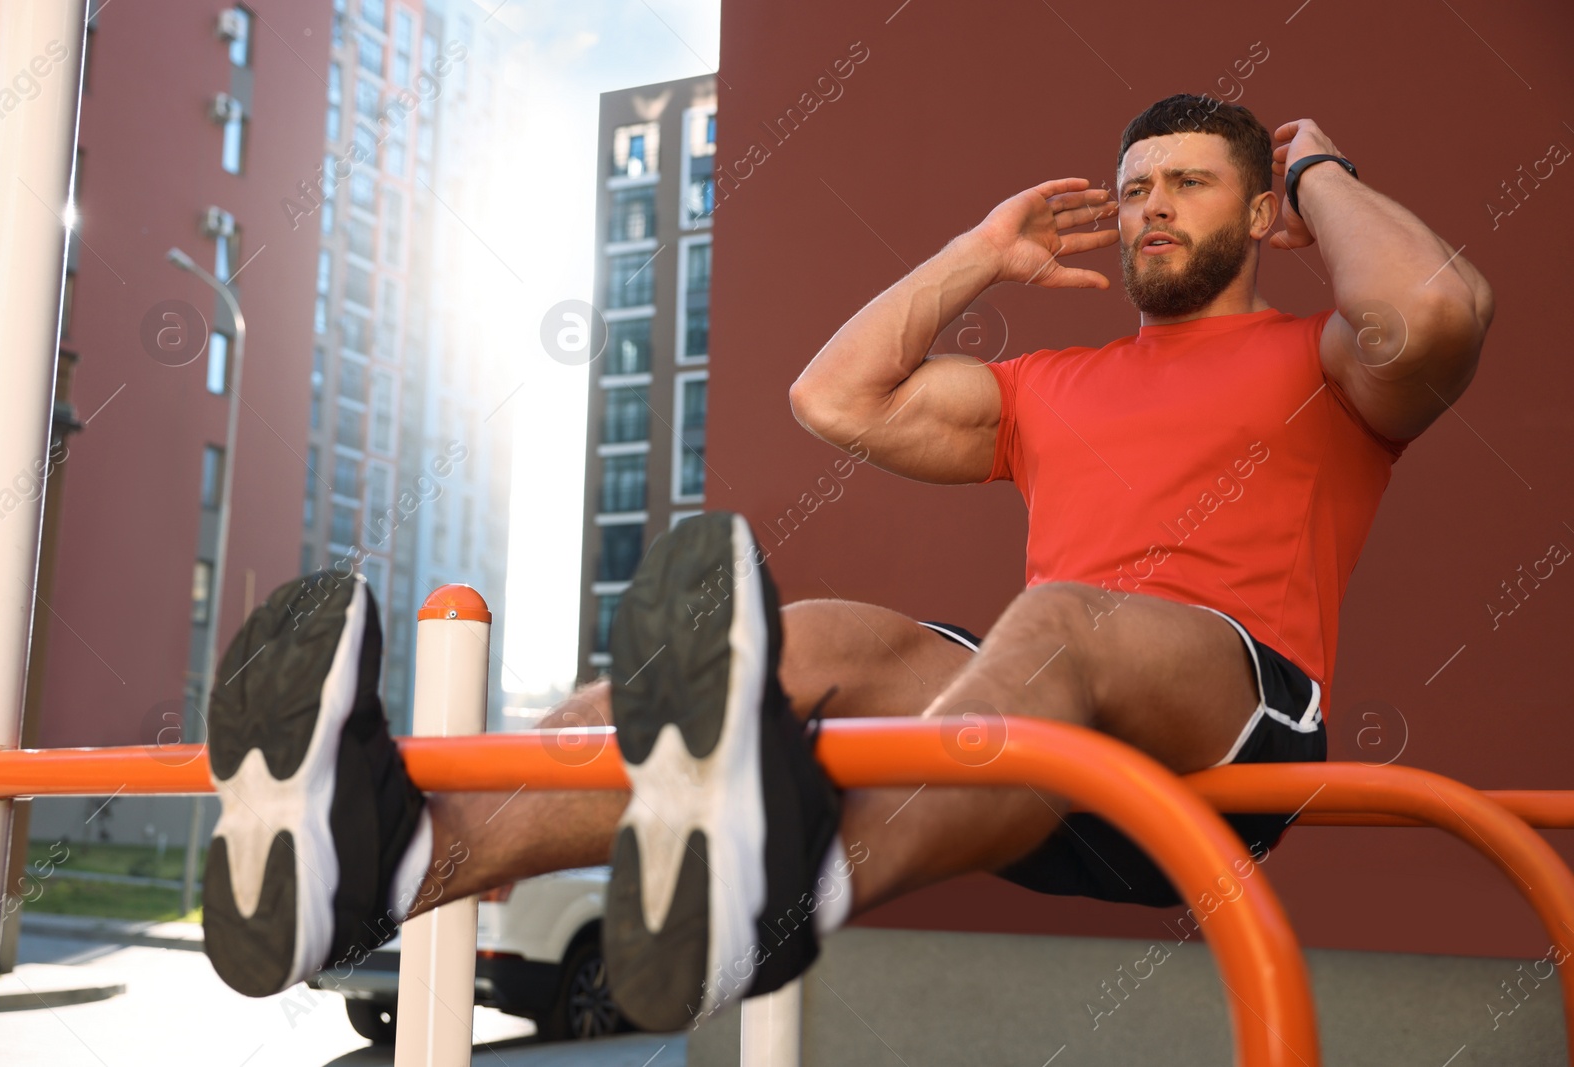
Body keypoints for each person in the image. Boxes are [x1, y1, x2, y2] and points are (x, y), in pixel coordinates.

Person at [196, 94, 1494, 1032]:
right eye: (1137, 184)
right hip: (1033, 750)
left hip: (1229, 737)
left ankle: (777, 890)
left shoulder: (1329, 359)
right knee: (808, 634)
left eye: (1190, 184)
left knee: (1059, 620)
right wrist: (982, 255)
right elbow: (835, 397)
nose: (1151, 205)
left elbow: (1432, 308)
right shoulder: (1052, 385)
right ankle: (384, 862)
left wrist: (1322, 167)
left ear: (1262, 211)